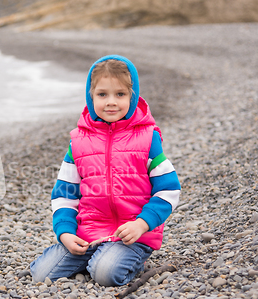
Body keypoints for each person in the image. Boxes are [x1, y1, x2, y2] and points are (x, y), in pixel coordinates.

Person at [30, 55, 181, 286]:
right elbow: (64, 193)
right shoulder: (78, 142)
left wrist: (142, 224)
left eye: (120, 94)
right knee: (41, 274)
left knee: (105, 274)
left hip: (131, 235)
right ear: (91, 97)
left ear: (133, 95)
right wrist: (66, 233)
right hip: (88, 232)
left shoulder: (148, 139)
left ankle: (128, 259)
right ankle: (94, 255)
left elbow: (168, 190)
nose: (111, 101)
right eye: (103, 94)